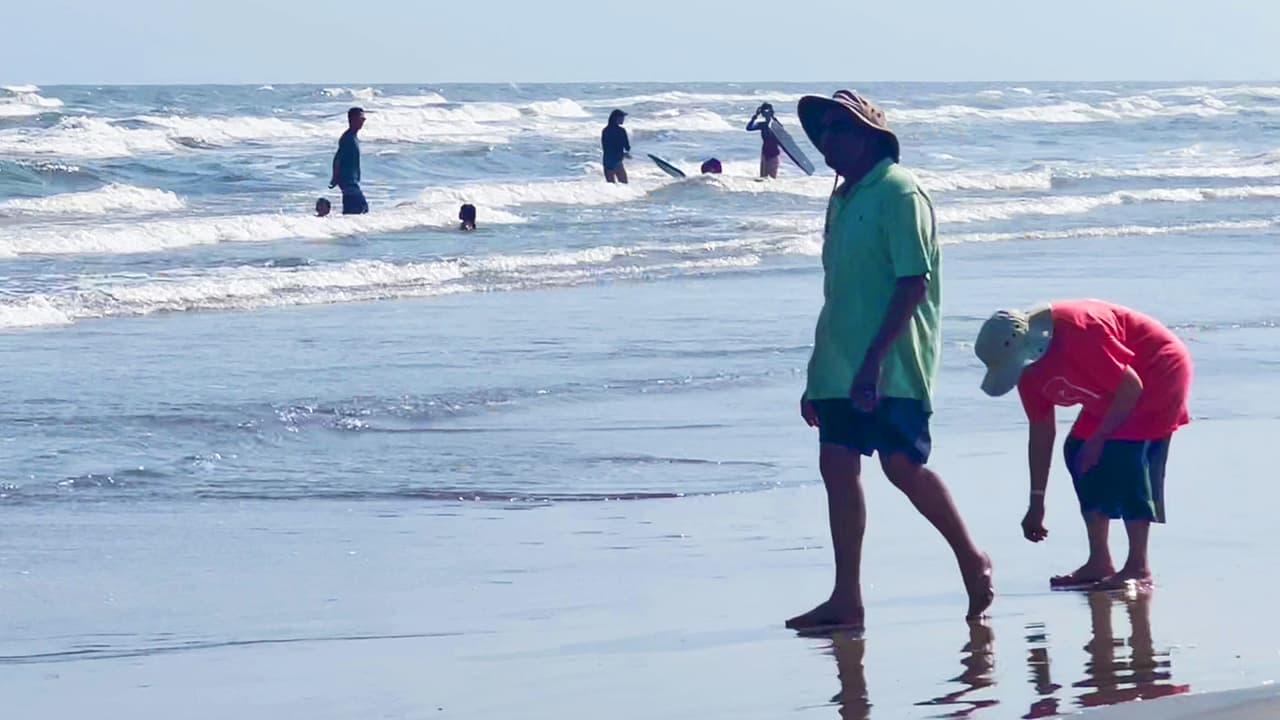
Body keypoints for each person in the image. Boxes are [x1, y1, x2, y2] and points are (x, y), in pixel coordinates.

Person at [785, 90, 993, 632]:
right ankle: (846, 598)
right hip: (837, 359)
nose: (828, 138)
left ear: (869, 136)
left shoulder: (901, 192)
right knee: (837, 468)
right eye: (824, 129)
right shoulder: (842, 198)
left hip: (892, 362)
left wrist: (873, 362)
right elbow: (838, 291)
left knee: (903, 467)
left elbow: (912, 283)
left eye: (839, 128)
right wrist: (818, 375)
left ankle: (972, 559)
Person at [974, 300, 1192, 591]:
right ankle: (1099, 561)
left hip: (1157, 369)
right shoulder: (1027, 372)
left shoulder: (1079, 331)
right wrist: (1036, 503)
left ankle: (1138, 566)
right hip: (1112, 389)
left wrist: (1100, 439)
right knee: (1077, 450)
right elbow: (1041, 431)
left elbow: (1131, 387)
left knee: (1123, 455)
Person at [329, 107, 368, 214]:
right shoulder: (347, 138)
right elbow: (338, 158)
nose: (363, 121)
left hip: (351, 180)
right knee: (361, 207)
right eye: (362, 119)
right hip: (347, 180)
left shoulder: (353, 137)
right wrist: (335, 177)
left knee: (352, 210)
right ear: (353, 119)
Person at [746, 102, 783, 178]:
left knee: (771, 178)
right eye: (764, 112)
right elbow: (749, 128)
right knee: (763, 177)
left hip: (774, 153)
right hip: (765, 153)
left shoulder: (775, 125)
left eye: (768, 112)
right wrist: (755, 116)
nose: (766, 114)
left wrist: (773, 117)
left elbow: (782, 131)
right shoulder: (762, 125)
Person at [601, 109, 630, 184]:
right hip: (617, 161)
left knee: (611, 186)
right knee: (624, 185)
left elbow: (606, 148)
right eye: (622, 117)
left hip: (607, 161)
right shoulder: (621, 131)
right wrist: (624, 154)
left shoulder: (605, 130)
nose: (623, 119)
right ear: (617, 118)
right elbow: (627, 147)